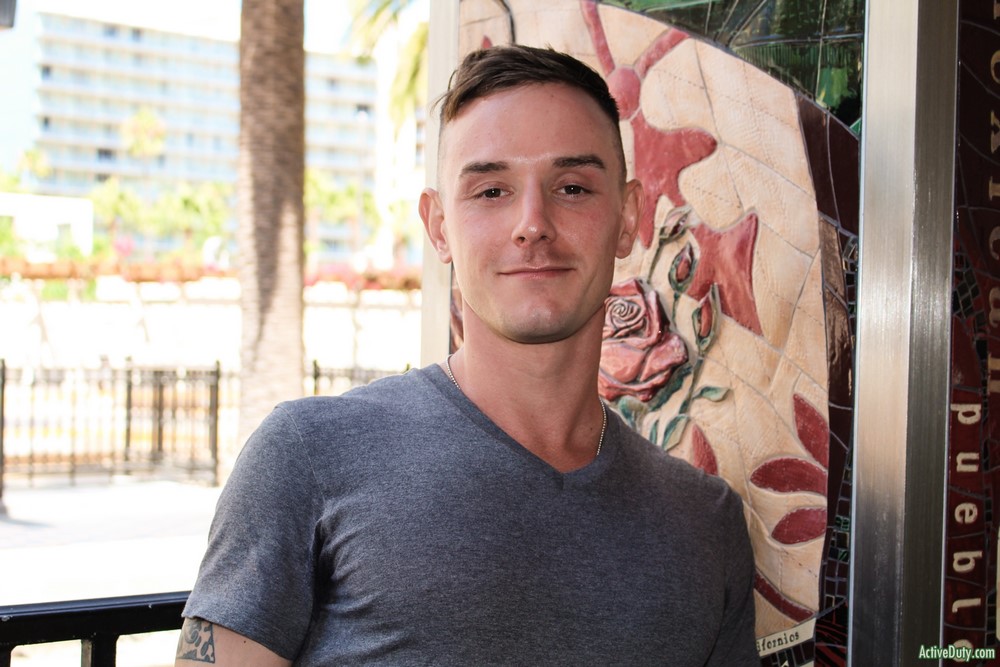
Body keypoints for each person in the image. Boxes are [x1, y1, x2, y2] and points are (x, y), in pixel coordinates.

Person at [176, 44, 758, 666]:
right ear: (439, 227)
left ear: (627, 217)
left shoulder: (705, 522)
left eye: (572, 187)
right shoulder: (308, 455)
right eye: (490, 191)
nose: (532, 223)